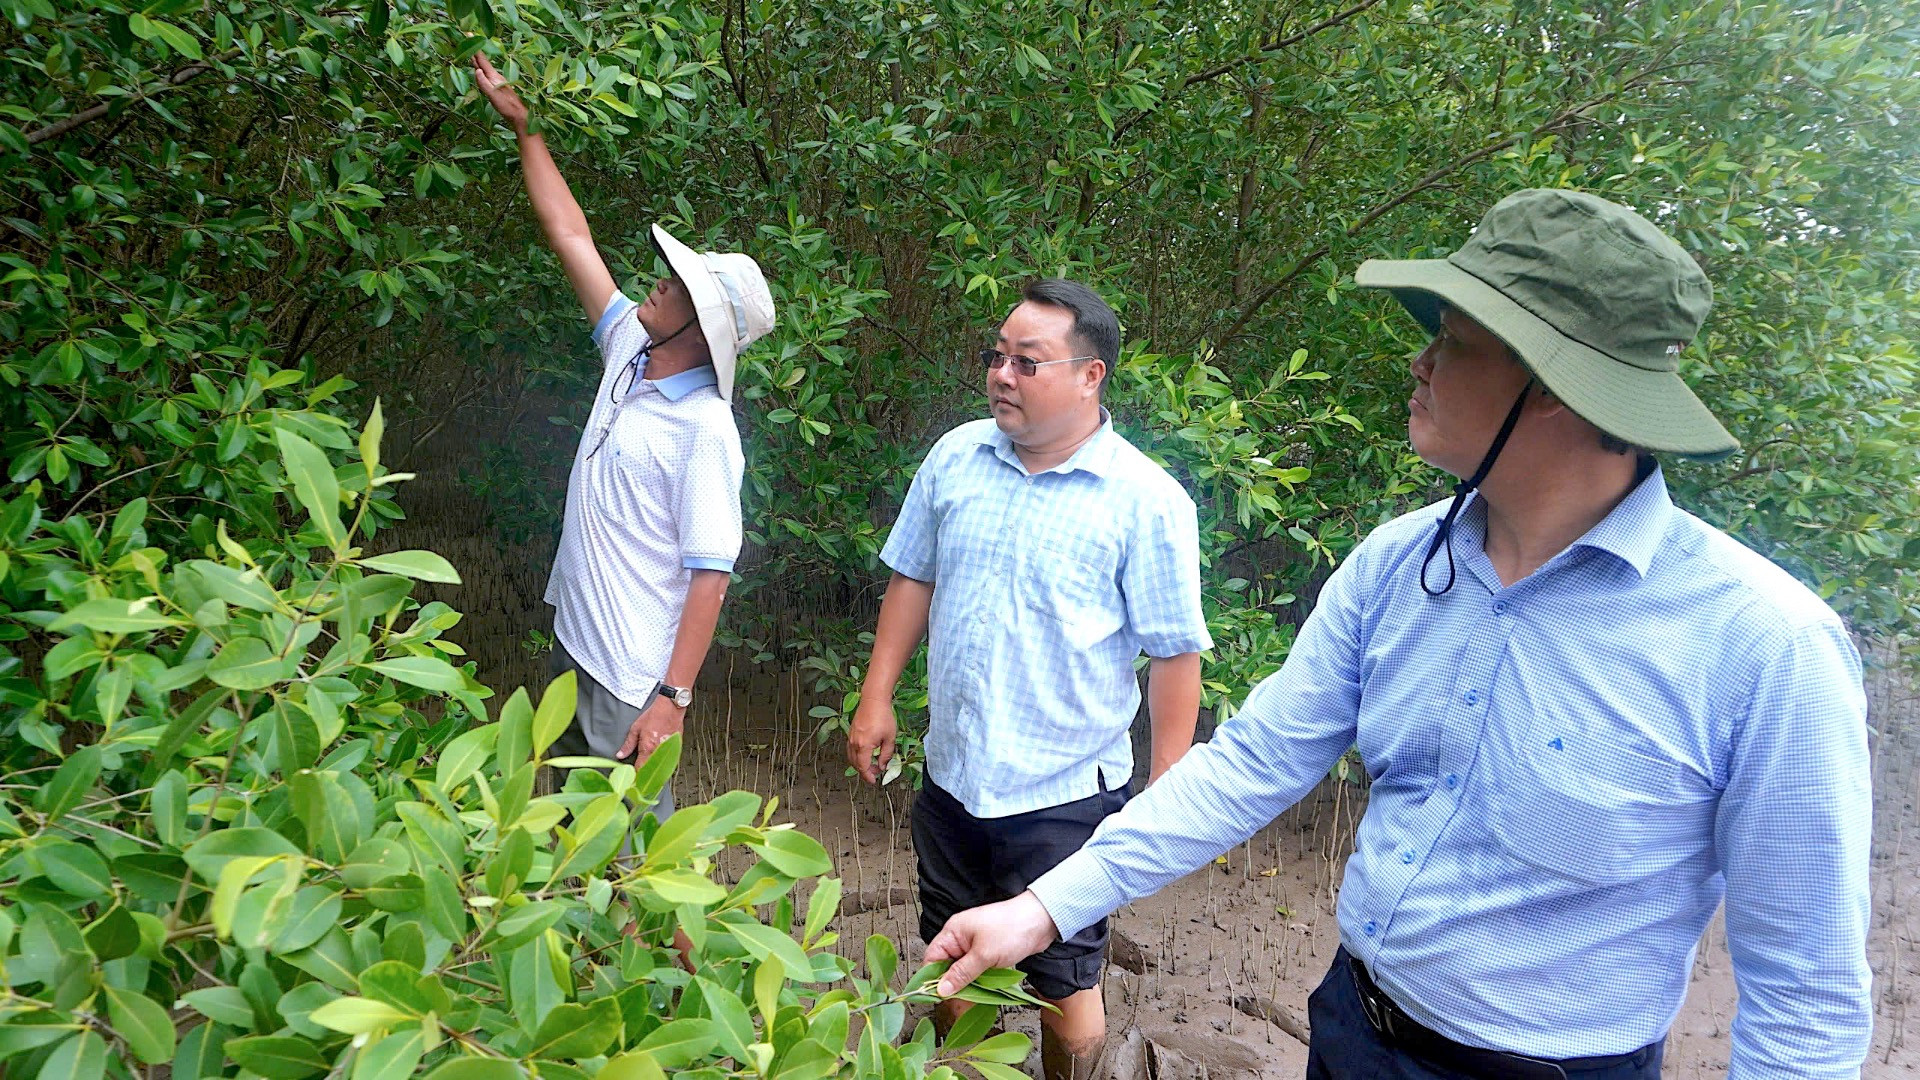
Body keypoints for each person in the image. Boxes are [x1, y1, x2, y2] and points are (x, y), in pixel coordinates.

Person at [921, 190, 1873, 1079]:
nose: (1419, 361)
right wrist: (1046, 907)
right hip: (1351, 1026)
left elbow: (1806, 1000)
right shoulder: (1397, 564)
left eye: (1452, 341)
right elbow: (1253, 761)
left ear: (1550, 384)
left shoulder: (1766, 646)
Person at [847, 279, 1213, 1080]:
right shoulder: (957, 457)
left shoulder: (1147, 501)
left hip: (1065, 795)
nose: (1001, 375)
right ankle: (955, 1068)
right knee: (947, 954)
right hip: (954, 774)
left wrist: (1167, 787)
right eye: (996, 357)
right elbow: (914, 578)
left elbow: (1175, 652)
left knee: (1067, 989)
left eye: (1027, 362)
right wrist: (877, 698)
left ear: (1091, 376)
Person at [472, 52, 775, 814]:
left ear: (702, 332)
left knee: (634, 856)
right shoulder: (628, 351)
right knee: (578, 835)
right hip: (576, 643)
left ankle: (682, 941)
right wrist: (527, 129)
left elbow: (712, 573)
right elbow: (568, 232)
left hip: (627, 669)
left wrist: (672, 698)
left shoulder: (705, 428)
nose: (658, 282)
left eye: (676, 286)